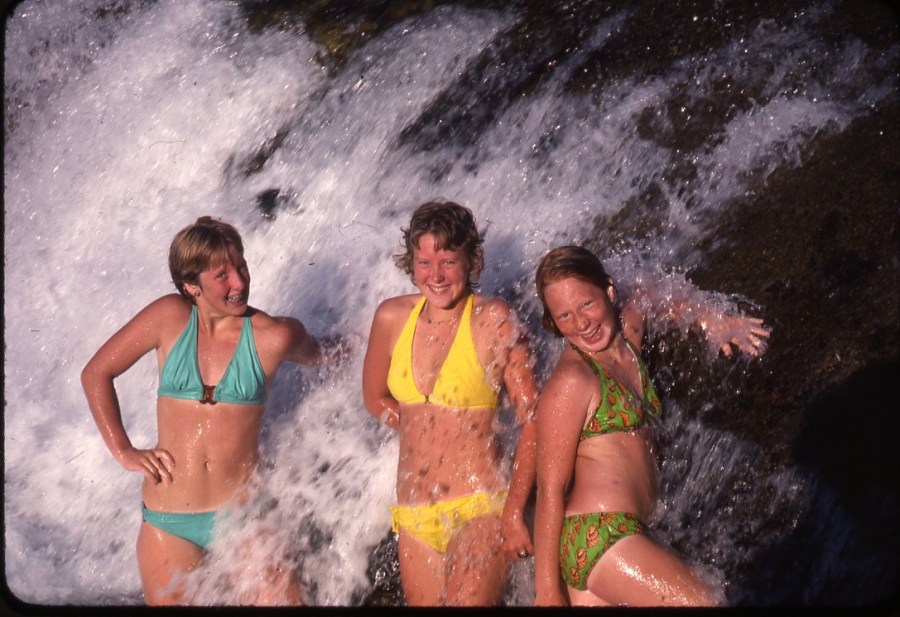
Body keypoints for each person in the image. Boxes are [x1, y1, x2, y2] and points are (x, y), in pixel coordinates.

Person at [81, 216, 341, 605]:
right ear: (191, 285)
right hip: (168, 524)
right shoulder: (168, 318)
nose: (239, 282)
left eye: (241, 267)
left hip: (243, 521)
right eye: (222, 275)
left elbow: (327, 355)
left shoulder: (274, 336)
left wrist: (368, 345)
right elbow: (96, 373)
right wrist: (124, 450)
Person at [532, 245, 770, 607]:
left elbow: (660, 294)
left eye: (587, 304)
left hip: (626, 535)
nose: (581, 323)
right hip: (600, 536)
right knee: (706, 602)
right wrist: (547, 592)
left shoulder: (629, 332)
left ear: (609, 291)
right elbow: (550, 488)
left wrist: (714, 321)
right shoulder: (572, 381)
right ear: (551, 322)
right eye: (564, 315)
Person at [362, 201, 538, 606]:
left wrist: (515, 510)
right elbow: (374, 399)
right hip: (415, 517)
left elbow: (533, 420)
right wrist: (422, 427)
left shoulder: (494, 319)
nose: (436, 276)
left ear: (470, 260)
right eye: (424, 263)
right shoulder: (391, 317)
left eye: (448, 262)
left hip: (480, 507)